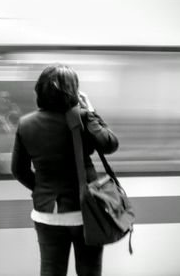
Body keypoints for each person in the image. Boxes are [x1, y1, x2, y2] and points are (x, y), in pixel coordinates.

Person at [11, 64, 119, 276]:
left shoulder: (25, 124)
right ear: (74, 90)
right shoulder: (82, 117)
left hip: (47, 214)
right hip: (85, 212)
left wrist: (43, 189)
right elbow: (110, 145)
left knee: (51, 271)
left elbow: (18, 170)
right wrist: (91, 111)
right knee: (89, 271)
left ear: (40, 90)